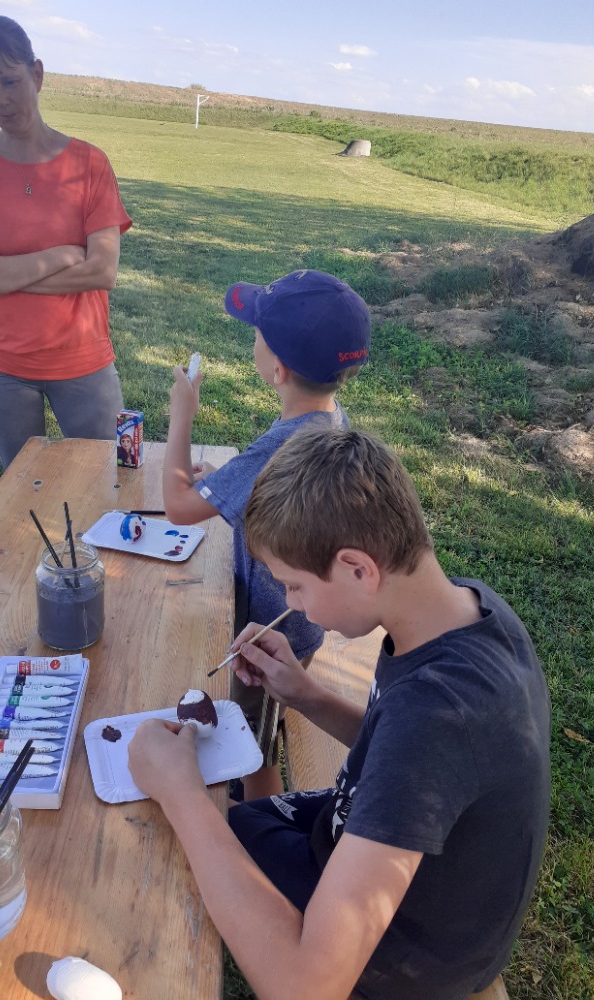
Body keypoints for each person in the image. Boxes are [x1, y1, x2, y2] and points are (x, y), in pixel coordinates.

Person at [130, 424, 551, 1000]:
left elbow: (307, 987)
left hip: (405, 954)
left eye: (294, 586)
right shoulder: (461, 612)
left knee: (174, 827)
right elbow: (399, 757)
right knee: (223, 820)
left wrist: (179, 791)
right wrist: (304, 693)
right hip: (358, 843)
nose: (289, 604)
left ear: (358, 568)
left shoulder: (439, 716)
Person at [161, 269, 371, 797]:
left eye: (257, 333)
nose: (252, 339)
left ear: (277, 369)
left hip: (271, 634)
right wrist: (233, 485)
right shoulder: (327, 420)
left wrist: (182, 415)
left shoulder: (285, 443)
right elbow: (283, 498)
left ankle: (259, 820)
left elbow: (179, 506)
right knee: (261, 726)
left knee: (252, 745)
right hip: (295, 624)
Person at [0, 15, 132, 469]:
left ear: (37, 74)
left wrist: (2, 273)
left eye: (10, 81)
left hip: (82, 357)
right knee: (25, 485)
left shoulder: (90, 164)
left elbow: (102, 271)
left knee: (111, 474)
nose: (1, 100)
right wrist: (62, 255)